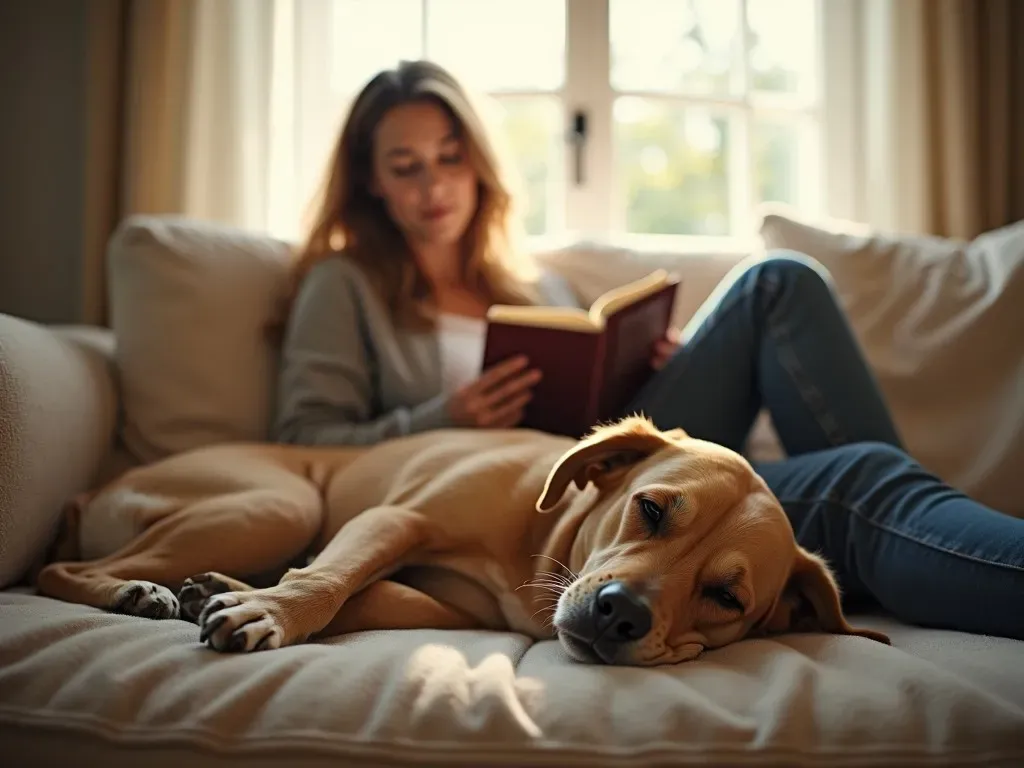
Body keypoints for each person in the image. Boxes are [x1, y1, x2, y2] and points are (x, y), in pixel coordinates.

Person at [273, 60, 1023, 642]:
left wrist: (651, 372)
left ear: (478, 165)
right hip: (548, 499)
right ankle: (896, 540)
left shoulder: (538, 281)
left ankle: (892, 540)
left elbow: (615, 429)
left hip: (624, 471)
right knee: (861, 484)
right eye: (406, 166)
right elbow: (305, 442)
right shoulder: (347, 284)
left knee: (779, 284)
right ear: (370, 179)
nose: (434, 185)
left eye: (450, 157)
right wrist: (449, 412)